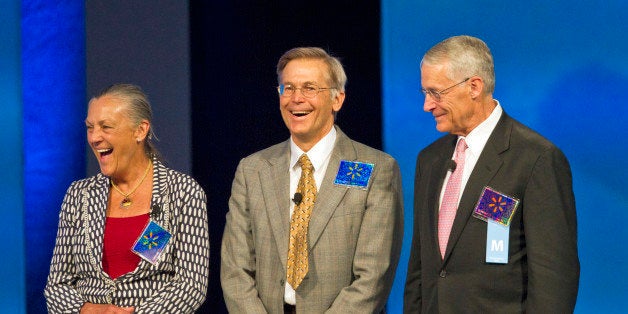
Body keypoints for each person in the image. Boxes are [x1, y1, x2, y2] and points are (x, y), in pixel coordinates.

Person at [404, 35, 579, 313]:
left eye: (436, 92)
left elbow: (554, 275)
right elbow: (420, 266)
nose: (427, 105)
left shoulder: (536, 158)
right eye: (425, 93)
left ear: (474, 86)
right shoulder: (430, 159)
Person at [221, 47, 404, 313]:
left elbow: (373, 277)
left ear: (337, 99)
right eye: (288, 88)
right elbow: (235, 269)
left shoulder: (375, 168)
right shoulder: (253, 170)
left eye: (309, 88)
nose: (296, 99)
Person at [44, 84, 210, 313]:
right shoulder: (78, 195)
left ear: (140, 131)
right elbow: (56, 286)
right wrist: (86, 310)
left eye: (106, 127)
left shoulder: (183, 193)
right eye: (90, 128)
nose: (94, 138)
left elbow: (191, 284)